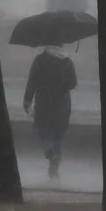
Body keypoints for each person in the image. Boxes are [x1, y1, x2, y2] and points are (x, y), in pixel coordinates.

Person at [22, 45, 77, 180]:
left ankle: (51, 155)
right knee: (57, 133)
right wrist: (61, 86)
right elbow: (73, 83)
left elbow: (32, 81)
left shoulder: (40, 60)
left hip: (44, 101)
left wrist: (27, 100)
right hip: (62, 103)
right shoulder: (67, 61)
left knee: (43, 130)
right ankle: (55, 168)